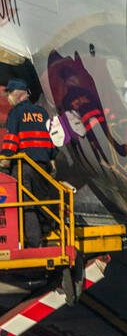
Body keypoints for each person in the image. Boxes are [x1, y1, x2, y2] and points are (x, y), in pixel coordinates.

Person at [0, 78, 57, 246]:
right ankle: (47, 227)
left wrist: (5, 158)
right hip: (42, 165)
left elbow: (11, 139)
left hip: (24, 165)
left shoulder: (16, 113)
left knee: (26, 204)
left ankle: (34, 241)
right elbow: (51, 139)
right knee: (42, 199)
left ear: (17, 94)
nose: (8, 97)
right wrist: (52, 158)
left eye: (9, 93)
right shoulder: (42, 113)